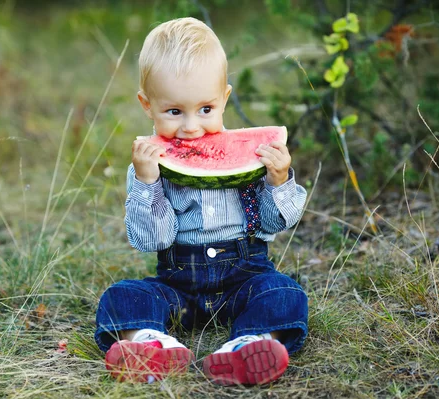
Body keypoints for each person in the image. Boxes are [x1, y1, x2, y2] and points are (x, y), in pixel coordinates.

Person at [95, 17, 308, 385]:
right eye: (174, 112)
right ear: (148, 105)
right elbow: (152, 241)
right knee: (122, 295)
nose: (192, 127)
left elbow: (276, 222)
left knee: (284, 292)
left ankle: (249, 344)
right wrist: (148, 182)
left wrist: (278, 180)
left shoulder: (255, 156)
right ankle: (152, 344)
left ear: (224, 98)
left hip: (246, 279)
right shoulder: (149, 164)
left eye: (206, 109)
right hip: (179, 289)